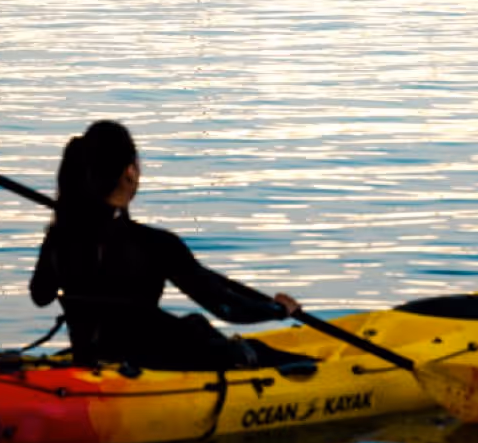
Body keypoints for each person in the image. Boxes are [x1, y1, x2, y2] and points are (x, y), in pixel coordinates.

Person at [30, 120, 317, 377]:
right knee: (280, 358)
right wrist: (278, 310)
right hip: (158, 364)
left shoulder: (59, 238)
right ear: (130, 172)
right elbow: (226, 308)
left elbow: (40, 296)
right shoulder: (155, 243)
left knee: (196, 326)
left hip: (92, 356)